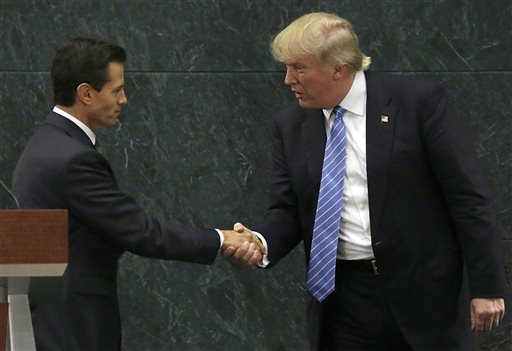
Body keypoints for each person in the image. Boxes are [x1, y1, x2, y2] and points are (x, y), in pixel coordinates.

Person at [224, 12, 509, 350]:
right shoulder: (290, 125)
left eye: (299, 68)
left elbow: (469, 197)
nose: (288, 80)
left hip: (425, 297)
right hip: (345, 300)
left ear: (338, 69)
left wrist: (488, 286)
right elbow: (288, 209)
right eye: (287, 67)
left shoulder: (416, 102)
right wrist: (260, 242)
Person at [12, 37, 263, 350]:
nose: (124, 99)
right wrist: (222, 239)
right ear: (86, 93)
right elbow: (142, 232)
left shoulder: (47, 142)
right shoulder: (74, 158)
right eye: (116, 90)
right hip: (73, 328)